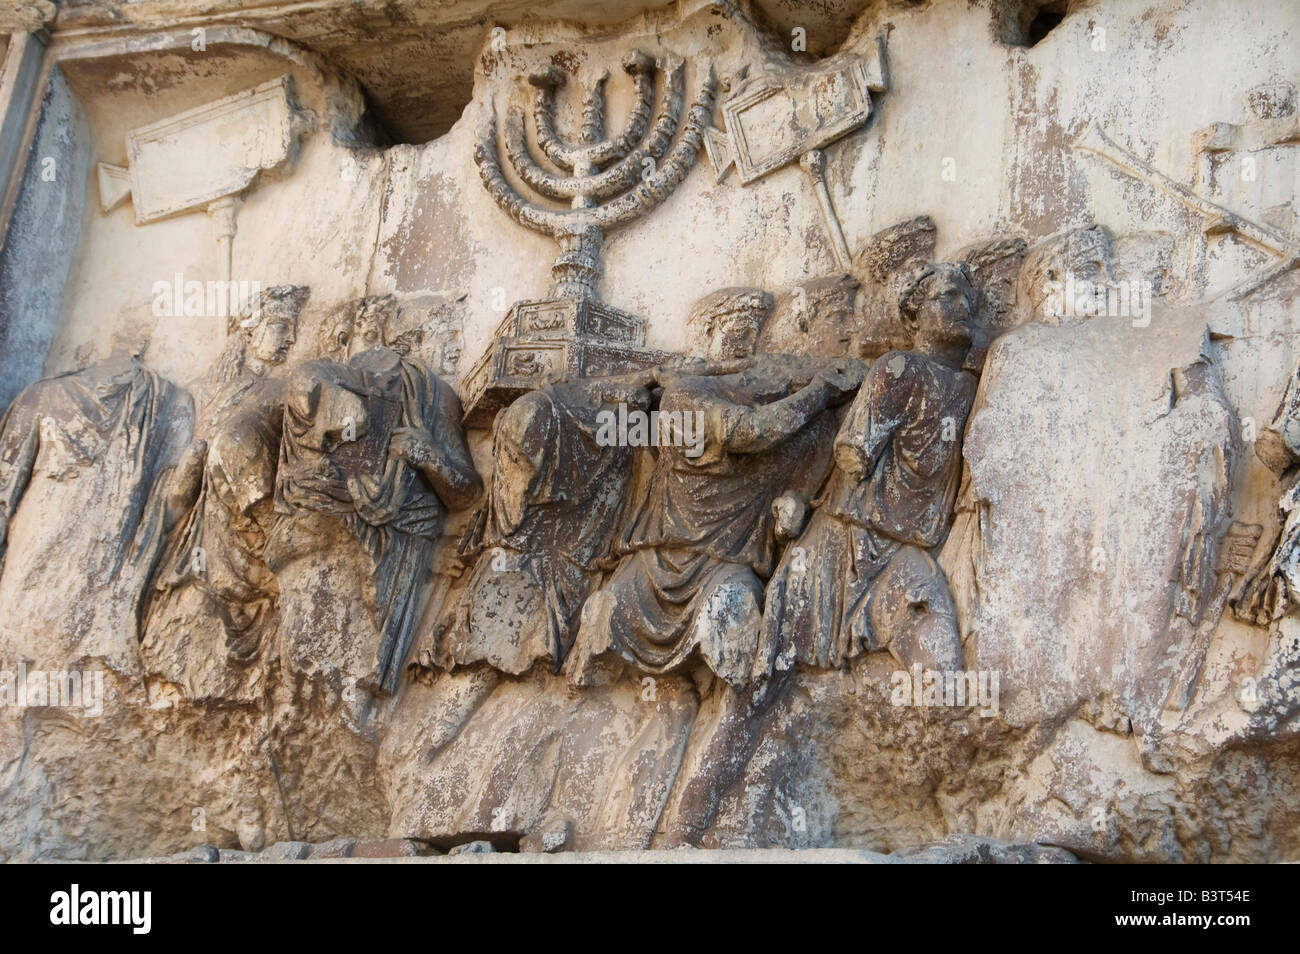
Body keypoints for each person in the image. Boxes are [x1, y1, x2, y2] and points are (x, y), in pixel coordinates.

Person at [759, 262, 979, 685]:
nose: (962, 306)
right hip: (844, 545)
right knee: (784, 679)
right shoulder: (898, 369)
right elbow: (851, 453)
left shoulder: (967, 386)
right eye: (947, 297)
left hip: (906, 551)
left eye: (966, 298)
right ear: (914, 315)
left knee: (942, 674)